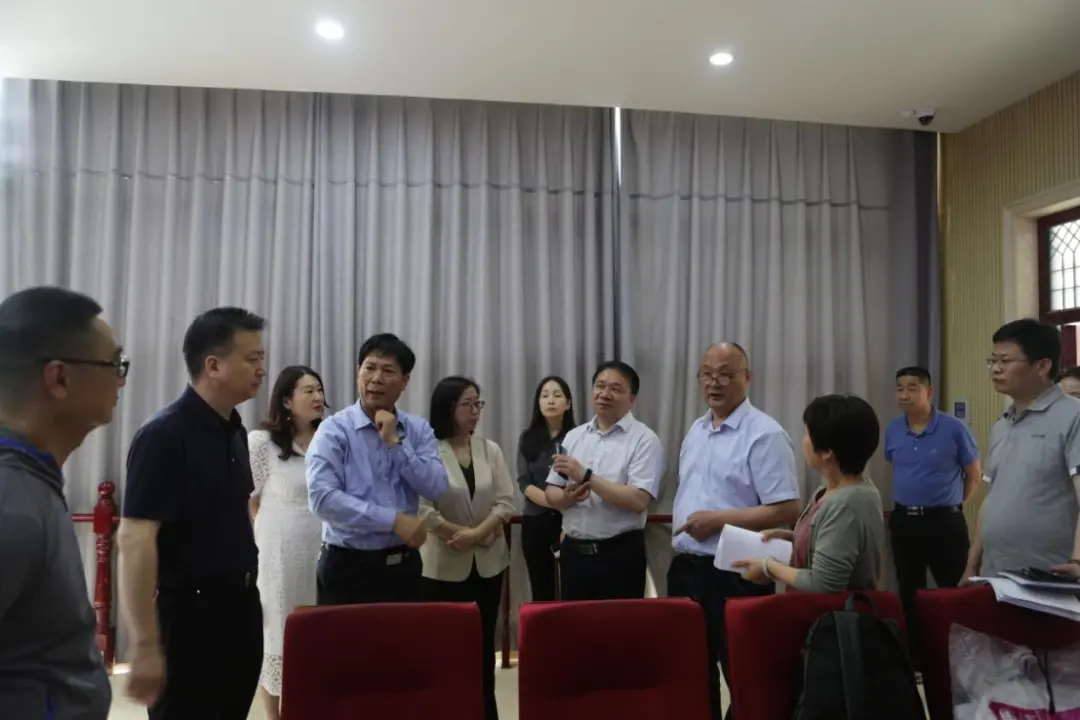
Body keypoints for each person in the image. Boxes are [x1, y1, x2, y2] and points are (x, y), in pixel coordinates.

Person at [118, 307, 267, 720]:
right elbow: (135, 539)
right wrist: (145, 642)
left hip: (241, 607)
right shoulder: (164, 434)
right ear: (213, 365)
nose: (262, 369)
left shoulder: (235, 431)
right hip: (190, 617)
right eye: (252, 359)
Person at [0, 286, 124, 720]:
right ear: (60, 378)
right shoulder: (11, 501)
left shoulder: (32, 480)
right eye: (114, 364)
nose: (121, 380)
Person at [668, 342, 802, 720]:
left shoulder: (764, 434)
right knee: (691, 673)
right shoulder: (696, 429)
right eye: (707, 374)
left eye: (725, 374)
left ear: (747, 377)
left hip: (737, 572)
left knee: (744, 674)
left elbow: (787, 508)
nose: (714, 382)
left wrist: (717, 520)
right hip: (687, 567)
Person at [307, 333, 448, 605]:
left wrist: (397, 444)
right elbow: (322, 499)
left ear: (405, 381)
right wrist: (393, 520)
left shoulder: (417, 430)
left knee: (403, 635)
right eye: (369, 368)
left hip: (403, 566)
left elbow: (437, 487)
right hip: (347, 567)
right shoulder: (334, 430)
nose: (376, 379)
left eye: (388, 371)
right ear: (358, 372)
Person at [420, 377, 516, 720]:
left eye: (478, 403)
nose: (476, 411)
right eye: (468, 404)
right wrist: (463, 533)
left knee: (482, 649)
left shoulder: (490, 450)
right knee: (445, 651)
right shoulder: (428, 450)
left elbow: (506, 502)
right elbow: (423, 511)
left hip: (488, 565)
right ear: (448, 408)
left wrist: (476, 534)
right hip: (442, 567)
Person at [734, 394, 886, 595]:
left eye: (806, 433)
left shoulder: (846, 503)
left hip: (835, 614)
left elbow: (824, 584)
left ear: (827, 451)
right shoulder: (832, 490)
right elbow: (833, 542)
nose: (802, 440)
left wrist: (768, 566)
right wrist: (794, 538)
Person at [966, 319, 1080, 581]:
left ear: (1042, 366)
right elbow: (992, 499)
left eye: (1005, 361)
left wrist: (1078, 560)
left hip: (1051, 576)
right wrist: (972, 563)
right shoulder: (1002, 424)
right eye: (992, 361)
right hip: (996, 573)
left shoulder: (1073, 416)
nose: (995, 369)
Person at [544, 360, 664, 601]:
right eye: (600, 386)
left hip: (619, 556)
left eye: (616, 389)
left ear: (632, 399)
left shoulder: (645, 440)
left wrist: (586, 476)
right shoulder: (574, 436)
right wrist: (567, 496)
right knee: (575, 622)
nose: (605, 394)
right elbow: (551, 493)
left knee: (618, 623)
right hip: (574, 554)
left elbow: (638, 500)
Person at [884, 366, 980, 664]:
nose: (904, 394)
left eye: (912, 388)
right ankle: (917, 660)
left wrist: (953, 505)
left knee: (954, 589)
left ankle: (962, 656)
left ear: (929, 392)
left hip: (945, 522)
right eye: (900, 388)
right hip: (904, 521)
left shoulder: (953, 428)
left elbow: (974, 475)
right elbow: (898, 468)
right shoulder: (893, 429)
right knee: (909, 591)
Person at [248, 366, 326, 720]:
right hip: (279, 553)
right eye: (308, 391)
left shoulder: (331, 437)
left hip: (325, 548)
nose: (318, 397)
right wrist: (264, 534)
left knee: (319, 629)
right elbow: (249, 498)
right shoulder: (261, 442)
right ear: (286, 400)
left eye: (320, 390)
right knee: (278, 630)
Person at [516, 375, 575, 601]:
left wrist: (563, 507)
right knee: (541, 590)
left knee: (572, 588)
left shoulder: (578, 437)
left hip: (569, 521)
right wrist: (555, 501)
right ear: (538, 403)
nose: (550, 400)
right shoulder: (527, 438)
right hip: (536, 521)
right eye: (545, 395)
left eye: (557, 395)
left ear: (568, 404)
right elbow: (524, 483)